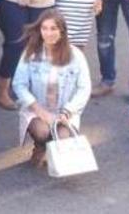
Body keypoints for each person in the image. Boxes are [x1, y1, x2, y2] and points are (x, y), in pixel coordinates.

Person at [12, 9, 92, 167]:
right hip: (37, 110)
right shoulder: (31, 53)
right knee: (42, 132)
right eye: (44, 28)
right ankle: (40, 146)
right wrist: (40, 112)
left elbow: (84, 88)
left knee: (62, 138)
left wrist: (68, 111)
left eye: (53, 29)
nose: (48, 33)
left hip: (65, 112)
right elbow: (18, 84)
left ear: (62, 31)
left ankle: (55, 149)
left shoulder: (76, 56)